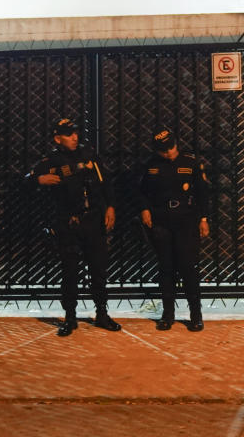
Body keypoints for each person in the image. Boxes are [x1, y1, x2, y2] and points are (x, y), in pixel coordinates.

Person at [28, 118, 120, 336]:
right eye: (69, 134)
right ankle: (70, 316)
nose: (75, 137)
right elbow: (25, 180)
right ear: (57, 138)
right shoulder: (50, 160)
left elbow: (106, 182)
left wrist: (111, 207)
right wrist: (38, 180)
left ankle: (102, 313)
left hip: (93, 219)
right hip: (69, 222)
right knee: (69, 271)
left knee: (98, 269)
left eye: (76, 133)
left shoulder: (88, 154)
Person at [137, 127, 210, 331]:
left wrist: (203, 219)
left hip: (185, 221)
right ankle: (167, 314)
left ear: (176, 143)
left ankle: (196, 314)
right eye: (163, 149)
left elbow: (203, 193)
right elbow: (140, 191)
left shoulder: (190, 162)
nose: (168, 152)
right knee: (166, 269)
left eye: (171, 147)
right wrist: (144, 209)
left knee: (188, 268)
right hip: (161, 221)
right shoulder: (150, 166)